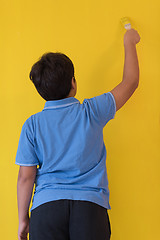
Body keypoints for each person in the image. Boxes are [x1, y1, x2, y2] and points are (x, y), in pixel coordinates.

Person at [16, 28, 140, 240]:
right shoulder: (92, 111)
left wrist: (23, 219)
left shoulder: (32, 125)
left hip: (46, 209)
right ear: (73, 83)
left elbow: (25, 177)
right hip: (90, 208)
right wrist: (129, 42)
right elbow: (130, 82)